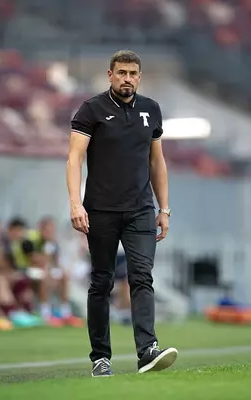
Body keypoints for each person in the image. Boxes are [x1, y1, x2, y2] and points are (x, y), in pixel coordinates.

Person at [67, 49, 177, 377]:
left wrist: (164, 208)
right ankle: (100, 358)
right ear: (110, 75)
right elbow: (74, 158)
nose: (127, 79)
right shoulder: (91, 109)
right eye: (121, 73)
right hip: (100, 210)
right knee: (101, 282)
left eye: (132, 74)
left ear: (139, 77)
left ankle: (148, 350)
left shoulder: (151, 110)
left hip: (142, 209)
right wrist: (75, 203)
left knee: (142, 276)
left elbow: (157, 161)